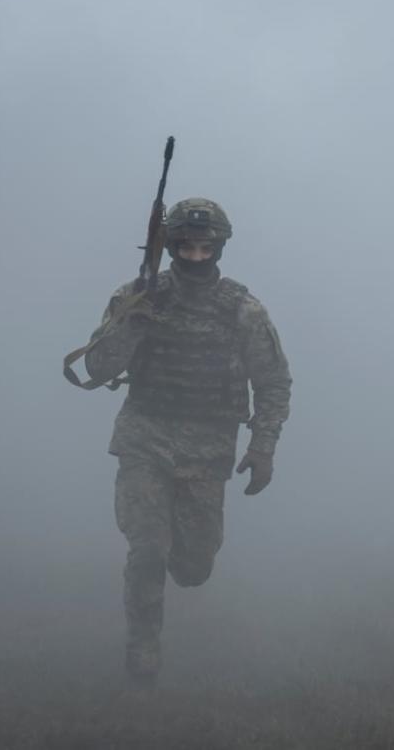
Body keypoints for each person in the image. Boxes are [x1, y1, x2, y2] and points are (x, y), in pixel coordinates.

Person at [82, 197, 292, 687]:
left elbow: (273, 382)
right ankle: (143, 643)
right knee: (149, 546)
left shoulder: (243, 310)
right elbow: (98, 367)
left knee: (195, 565)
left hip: (207, 450)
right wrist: (135, 318)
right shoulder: (138, 296)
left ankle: (183, 567)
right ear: (169, 246)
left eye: (205, 247)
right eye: (185, 247)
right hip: (145, 440)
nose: (195, 257)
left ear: (219, 247)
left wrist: (263, 447)